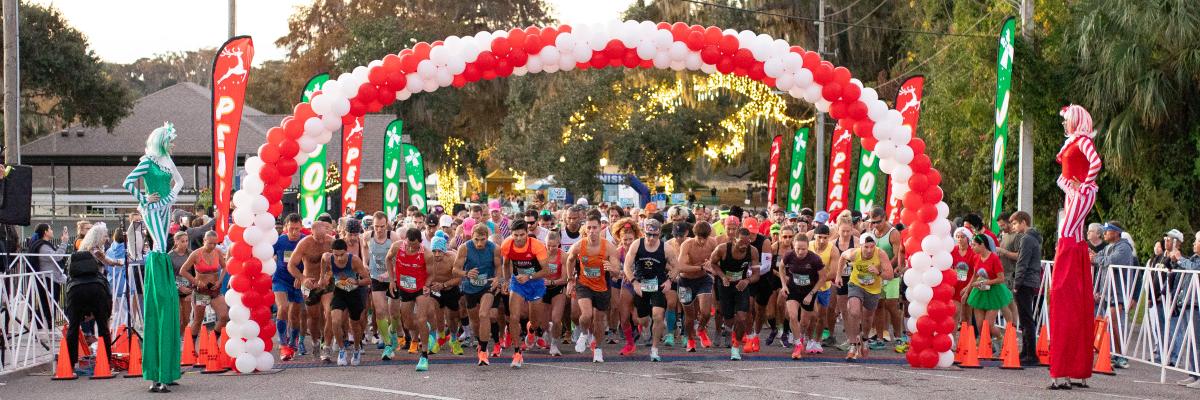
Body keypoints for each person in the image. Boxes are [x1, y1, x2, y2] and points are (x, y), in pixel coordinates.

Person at [122, 123, 184, 392]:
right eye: (170, 141)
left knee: (167, 307)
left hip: (163, 211)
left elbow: (180, 182)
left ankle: (166, 370)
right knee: (161, 306)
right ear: (161, 141)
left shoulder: (167, 161)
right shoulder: (148, 161)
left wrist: (170, 196)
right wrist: (145, 198)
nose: (173, 145)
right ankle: (159, 372)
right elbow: (126, 182)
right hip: (154, 220)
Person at [1048, 104, 1103, 390]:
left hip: (1080, 193)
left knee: (1067, 235)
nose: (1065, 125)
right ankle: (1076, 369)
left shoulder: (1082, 141)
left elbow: (1095, 163)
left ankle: (1068, 370)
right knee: (1072, 235)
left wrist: (1085, 184)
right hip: (1075, 191)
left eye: (1067, 120)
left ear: (1076, 121)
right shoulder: (1075, 141)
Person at [564, 211, 621, 362]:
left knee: (599, 320)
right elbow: (569, 260)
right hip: (584, 284)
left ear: (600, 228)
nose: (592, 231)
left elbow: (617, 272)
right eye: (589, 228)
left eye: (595, 228)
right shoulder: (579, 245)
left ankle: (598, 349)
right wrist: (570, 280)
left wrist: (612, 269)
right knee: (586, 314)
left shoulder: (608, 247)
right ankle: (583, 334)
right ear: (585, 229)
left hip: (602, 287)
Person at [63, 228, 114, 377]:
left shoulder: (78, 253)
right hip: (97, 289)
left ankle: (70, 365)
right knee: (103, 327)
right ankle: (106, 364)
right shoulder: (97, 252)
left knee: (73, 328)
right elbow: (109, 264)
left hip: (75, 291)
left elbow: (68, 278)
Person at [499, 220, 550, 368]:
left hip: (535, 283)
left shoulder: (537, 246)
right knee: (513, 317)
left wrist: (529, 276)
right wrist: (506, 281)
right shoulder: (507, 245)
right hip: (517, 283)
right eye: (516, 235)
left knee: (534, 320)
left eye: (522, 235)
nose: (519, 238)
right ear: (511, 234)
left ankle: (532, 330)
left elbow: (546, 270)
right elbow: (506, 264)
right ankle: (517, 352)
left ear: (527, 233)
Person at [385, 228, 435, 370]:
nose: (411, 248)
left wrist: (426, 285)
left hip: (420, 288)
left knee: (421, 319)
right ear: (405, 240)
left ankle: (424, 356)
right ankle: (425, 328)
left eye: (415, 246)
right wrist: (392, 280)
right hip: (404, 287)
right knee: (407, 324)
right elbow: (388, 259)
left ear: (420, 242)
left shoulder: (427, 254)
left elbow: (431, 274)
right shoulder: (397, 246)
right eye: (409, 245)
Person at [708, 228, 761, 360]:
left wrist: (747, 281)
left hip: (741, 286)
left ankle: (736, 347)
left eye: (747, 242)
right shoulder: (722, 249)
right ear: (734, 239)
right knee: (729, 319)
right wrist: (722, 276)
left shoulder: (753, 251)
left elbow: (756, 275)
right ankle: (729, 333)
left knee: (742, 317)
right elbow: (713, 264)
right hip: (725, 285)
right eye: (741, 242)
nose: (744, 245)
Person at [287, 217, 335, 362]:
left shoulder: (330, 241)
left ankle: (326, 347)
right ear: (312, 233)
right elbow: (291, 265)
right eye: (318, 238)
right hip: (309, 284)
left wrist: (329, 275)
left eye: (323, 237)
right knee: (313, 317)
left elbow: (339, 261)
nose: (321, 241)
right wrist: (302, 279)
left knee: (329, 312)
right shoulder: (305, 243)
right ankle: (315, 341)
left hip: (326, 283)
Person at [839, 233, 893, 360]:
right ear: (861, 246)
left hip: (873, 289)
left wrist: (878, 272)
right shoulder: (854, 253)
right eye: (866, 247)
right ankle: (853, 344)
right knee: (854, 311)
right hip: (856, 284)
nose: (869, 250)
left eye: (872, 247)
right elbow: (842, 256)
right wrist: (838, 275)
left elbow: (890, 275)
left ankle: (865, 338)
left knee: (868, 318)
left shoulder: (880, 254)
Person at [455, 224, 502, 366]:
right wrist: (465, 273)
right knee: (475, 321)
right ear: (472, 237)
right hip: (470, 288)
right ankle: (479, 341)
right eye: (476, 239)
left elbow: (499, 267)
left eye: (482, 239)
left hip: (487, 285)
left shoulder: (494, 248)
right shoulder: (464, 247)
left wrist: (497, 278)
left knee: (484, 314)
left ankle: (483, 350)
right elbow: (455, 269)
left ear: (487, 238)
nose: (479, 243)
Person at [623, 219, 671, 361]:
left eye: (654, 235)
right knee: (642, 320)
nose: (651, 238)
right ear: (644, 233)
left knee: (658, 315)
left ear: (659, 234)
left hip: (658, 285)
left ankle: (654, 349)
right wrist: (634, 282)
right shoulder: (637, 244)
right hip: (641, 285)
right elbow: (627, 266)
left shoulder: (666, 248)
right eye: (648, 234)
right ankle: (646, 326)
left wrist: (670, 280)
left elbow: (676, 266)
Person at [1091, 220, 1135, 369]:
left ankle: (1121, 355)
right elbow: (1098, 258)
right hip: (1107, 291)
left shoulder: (1124, 248)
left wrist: (1096, 258)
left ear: (1116, 232)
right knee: (1107, 324)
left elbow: (1110, 261)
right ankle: (1112, 353)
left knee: (1114, 323)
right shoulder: (1109, 247)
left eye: (1107, 231)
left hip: (1118, 292)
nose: (1104, 233)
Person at [322, 239, 371, 366]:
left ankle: (356, 349)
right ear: (332, 253)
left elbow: (368, 280)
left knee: (354, 325)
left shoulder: (354, 260)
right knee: (335, 321)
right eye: (336, 255)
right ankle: (342, 349)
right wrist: (322, 277)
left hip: (353, 293)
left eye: (342, 255)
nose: (338, 258)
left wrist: (357, 282)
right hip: (339, 292)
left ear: (346, 252)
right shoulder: (328, 258)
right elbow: (323, 260)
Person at [780, 234, 829, 359]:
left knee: (805, 321)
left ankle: (803, 337)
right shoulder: (789, 255)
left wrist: (812, 294)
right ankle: (797, 344)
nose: (800, 252)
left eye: (803, 249)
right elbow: (781, 267)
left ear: (808, 247)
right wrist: (784, 285)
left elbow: (823, 277)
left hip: (809, 291)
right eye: (798, 249)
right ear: (793, 246)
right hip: (794, 289)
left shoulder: (815, 259)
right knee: (792, 315)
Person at [864, 207, 904, 351]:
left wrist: (886, 269)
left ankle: (899, 337)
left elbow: (897, 256)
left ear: (885, 218)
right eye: (872, 222)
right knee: (878, 305)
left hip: (891, 274)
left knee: (892, 305)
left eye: (878, 222)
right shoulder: (872, 234)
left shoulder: (893, 234)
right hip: (876, 275)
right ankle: (880, 338)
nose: (875, 225)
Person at [178, 231, 230, 344]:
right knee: (198, 320)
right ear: (204, 241)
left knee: (224, 316)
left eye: (215, 243)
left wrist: (219, 281)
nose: (212, 246)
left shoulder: (218, 251)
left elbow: (225, 267)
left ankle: (213, 342)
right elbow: (183, 270)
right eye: (210, 243)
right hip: (201, 292)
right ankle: (191, 348)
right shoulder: (196, 254)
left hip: (214, 290)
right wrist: (196, 282)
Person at [1005, 211, 1043, 366]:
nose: (1013, 227)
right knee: (1026, 317)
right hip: (1030, 281)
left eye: (1014, 223)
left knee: (1026, 318)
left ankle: (1031, 354)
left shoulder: (1026, 239)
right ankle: (1026, 351)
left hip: (1025, 281)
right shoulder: (1032, 238)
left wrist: (1017, 283)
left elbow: (1022, 262)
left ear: (1023, 222)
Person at [965, 234, 1012, 353]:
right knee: (980, 325)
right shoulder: (976, 257)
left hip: (994, 292)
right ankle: (987, 347)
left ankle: (1000, 339)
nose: (972, 247)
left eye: (974, 245)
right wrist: (967, 290)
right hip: (979, 292)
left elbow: (1001, 278)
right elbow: (975, 275)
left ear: (982, 245)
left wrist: (986, 282)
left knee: (988, 324)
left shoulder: (994, 258)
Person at [360, 212, 398, 359]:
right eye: (376, 226)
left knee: (394, 313)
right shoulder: (367, 236)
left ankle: (393, 332)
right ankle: (388, 344)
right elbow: (364, 247)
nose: (379, 230)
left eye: (382, 226)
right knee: (380, 311)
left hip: (393, 278)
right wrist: (365, 262)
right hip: (376, 277)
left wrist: (390, 274)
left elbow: (400, 258)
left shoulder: (393, 237)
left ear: (387, 224)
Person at [676, 221, 718, 351]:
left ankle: (700, 330)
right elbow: (680, 267)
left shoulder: (712, 242)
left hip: (703, 280)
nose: (702, 242)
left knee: (706, 312)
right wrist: (700, 267)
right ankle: (690, 340)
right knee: (689, 316)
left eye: (705, 238)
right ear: (695, 235)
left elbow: (718, 260)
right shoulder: (687, 245)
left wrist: (711, 263)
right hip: (685, 281)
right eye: (700, 238)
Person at [272, 214, 306, 360]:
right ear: (285, 228)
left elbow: (311, 262)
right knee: (283, 307)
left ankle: (293, 342)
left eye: (297, 229)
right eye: (291, 229)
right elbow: (265, 256)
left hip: (298, 281)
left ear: (301, 227)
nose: (294, 232)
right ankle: (283, 343)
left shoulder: (305, 241)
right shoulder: (279, 241)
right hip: (280, 279)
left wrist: (301, 276)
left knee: (295, 315)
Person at [425, 233, 465, 357]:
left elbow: (459, 279)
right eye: (434, 251)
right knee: (434, 312)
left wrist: (443, 285)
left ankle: (453, 339)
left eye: (440, 251)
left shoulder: (452, 257)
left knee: (452, 317)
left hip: (450, 289)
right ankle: (440, 336)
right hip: (434, 290)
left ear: (444, 250)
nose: (437, 254)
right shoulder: (427, 258)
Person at [26, 224, 68, 330]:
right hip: (48, 278)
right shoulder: (43, 246)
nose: (52, 231)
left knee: (48, 304)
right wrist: (64, 242)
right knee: (49, 304)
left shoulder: (42, 245)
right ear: (45, 232)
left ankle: (45, 325)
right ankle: (44, 325)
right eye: (50, 229)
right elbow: (57, 257)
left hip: (49, 277)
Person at [540, 231, 569, 355]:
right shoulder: (540, 255)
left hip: (557, 288)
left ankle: (554, 344)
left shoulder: (563, 256)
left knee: (557, 319)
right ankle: (545, 331)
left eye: (554, 246)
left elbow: (564, 279)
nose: (551, 248)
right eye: (548, 245)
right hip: (543, 288)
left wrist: (551, 282)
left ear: (559, 244)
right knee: (544, 322)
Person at [951, 227, 980, 324]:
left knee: (967, 316)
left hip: (969, 286)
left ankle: (968, 338)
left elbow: (975, 273)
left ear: (968, 238)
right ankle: (953, 338)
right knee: (955, 313)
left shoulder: (973, 252)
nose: (959, 239)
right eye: (958, 237)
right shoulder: (952, 251)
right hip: (956, 287)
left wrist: (968, 288)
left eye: (962, 237)